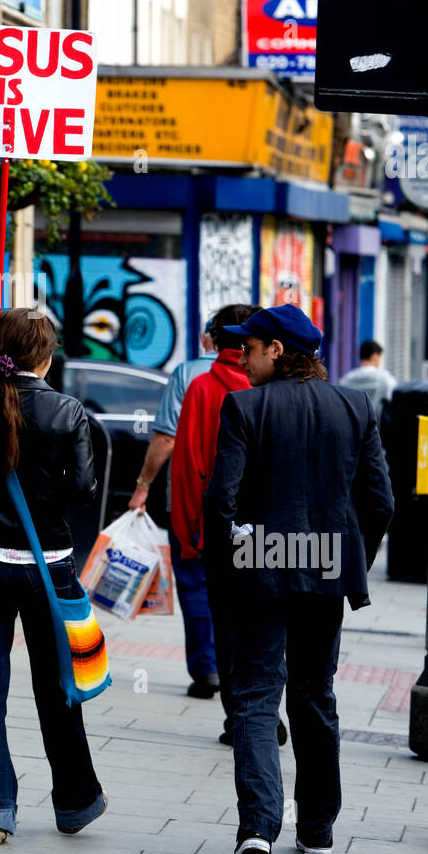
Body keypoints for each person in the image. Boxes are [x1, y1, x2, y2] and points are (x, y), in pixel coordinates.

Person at [202, 304, 394, 854]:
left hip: (260, 568)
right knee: (314, 695)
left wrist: (231, 566)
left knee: (256, 696)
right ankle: (316, 829)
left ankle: (257, 829)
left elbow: (220, 501)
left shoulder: (244, 407)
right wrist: (349, 558)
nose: (241, 356)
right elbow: (380, 502)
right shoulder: (354, 406)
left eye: (250, 347)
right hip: (325, 569)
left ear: (278, 352)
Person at [0, 308, 107, 844]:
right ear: (44, 355)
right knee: (57, 684)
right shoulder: (67, 410)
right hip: (48, 568)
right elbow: (84, 489)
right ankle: (75, 802)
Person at [170, 305, 257, 743]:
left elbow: (186, 466)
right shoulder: (270, 387)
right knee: (260, 623)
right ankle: (262, 709)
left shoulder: (201, 388)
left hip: (216, 529)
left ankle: (233, 711)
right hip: (269, 534)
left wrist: (187, 534)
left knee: (223, 621)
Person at [129, 314, 220, 698]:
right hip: (247, 509)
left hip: (193, 499)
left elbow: (165, 438)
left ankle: (206, 669)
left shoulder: (188, 374)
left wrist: (143, 485)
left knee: (195, 582)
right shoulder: (258, 373)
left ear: (206, 339)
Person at [338, 340, 396, 426]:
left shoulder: (345, 380)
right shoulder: (385, 379)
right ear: (375, 356)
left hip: (350, 430)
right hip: (375, 432)